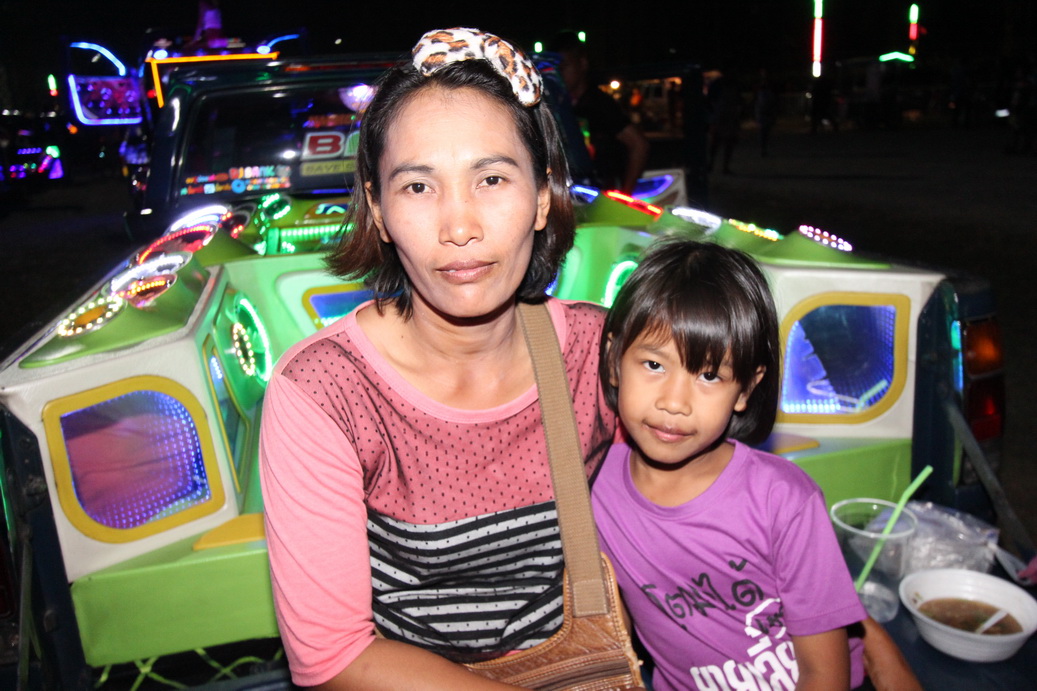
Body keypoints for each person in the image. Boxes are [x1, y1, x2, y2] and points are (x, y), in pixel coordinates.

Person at [259, 27, 615, 689]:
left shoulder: (599, 354)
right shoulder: (325, 391)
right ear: (378, 209)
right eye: (419, 187)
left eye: (491, 178)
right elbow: (333, 657)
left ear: (542, 197)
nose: (459, 228)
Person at [592, 240, 870, 690]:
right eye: (654, 364)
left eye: (709, 375)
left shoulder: (784, 500)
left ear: (745, 389)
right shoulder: (592, 483)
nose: (674, 402)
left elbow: (825, 674)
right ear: (613, 361)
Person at [551, 31, 649, 195]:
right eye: (555, 69)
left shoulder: (599, 103)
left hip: (601, 196)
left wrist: (625, 194)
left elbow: (639, 144)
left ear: (582, 63)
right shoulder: (559, 105)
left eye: (564, 66)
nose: (559, 73)